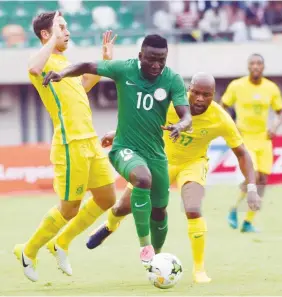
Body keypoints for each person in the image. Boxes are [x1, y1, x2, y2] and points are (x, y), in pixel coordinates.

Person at [86, 72, 261, 283]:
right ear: (189, 90)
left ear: (213, 95)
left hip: (193, 164)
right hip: (161, 160)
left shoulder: (220, 118)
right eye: (195, 92)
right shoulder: (170, 105)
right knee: (122, 208)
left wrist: (251, 188)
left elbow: (242, 153)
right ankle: (110, 226)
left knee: (193, 208)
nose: (199, 99)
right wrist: (116, 133)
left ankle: (199, 270)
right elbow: (141, 121)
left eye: (206, 95)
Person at [42, 34, 192, 267]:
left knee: (160, 210)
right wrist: (63, 73)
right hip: (124, 148)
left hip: (156, 154)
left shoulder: (172, 79)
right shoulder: (124, 69)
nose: (156, 64)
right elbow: (87, 66)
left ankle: (157, 258)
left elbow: (186, 115)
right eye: (151, 58)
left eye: (161, 59)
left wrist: (180, 126)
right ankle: (145, 246)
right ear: (140, 55)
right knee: (142, 179)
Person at [14, 11, 117, 282]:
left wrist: (105, 63)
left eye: (67, 27)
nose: (67, 31)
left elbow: (82, 87)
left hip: (90, 142)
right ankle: (28, 250)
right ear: (46, 35)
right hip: (70, 145)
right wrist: (52, 39)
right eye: (61, 27)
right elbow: (33, 68)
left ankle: (61, 243)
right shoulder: (44, 63)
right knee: (69, 208)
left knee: (107, 198)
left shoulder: (63, 62)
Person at [221, 53, 282, 232]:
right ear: (248, 66)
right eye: (252, 63)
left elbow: (280, 112)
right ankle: (234, 209)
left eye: (259, 64)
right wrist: (232, 126)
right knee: (253, 177)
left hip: (263, 139)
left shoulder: (271, 88)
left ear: (263, 67)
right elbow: (222, 106)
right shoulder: (237, 86)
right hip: (245, 139)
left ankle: (248, 222)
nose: (256, 66)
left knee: (263, 180)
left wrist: (274, 127)